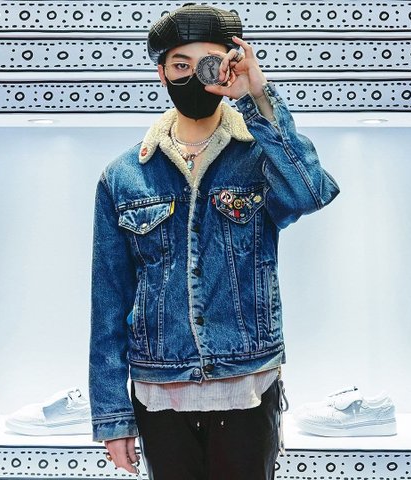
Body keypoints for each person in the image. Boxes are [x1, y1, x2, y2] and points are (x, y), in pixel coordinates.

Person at [89, 4, 340, 480]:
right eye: (179, 65)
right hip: (158, 392)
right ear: (161, 73)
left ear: (228, 66)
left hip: (247, 386)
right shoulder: (123, 176)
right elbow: (109, 301)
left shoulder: (258, 156)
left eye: (207, 63)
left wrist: (258, 97)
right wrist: (112, 416)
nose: (191, 76)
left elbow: (309, 193)